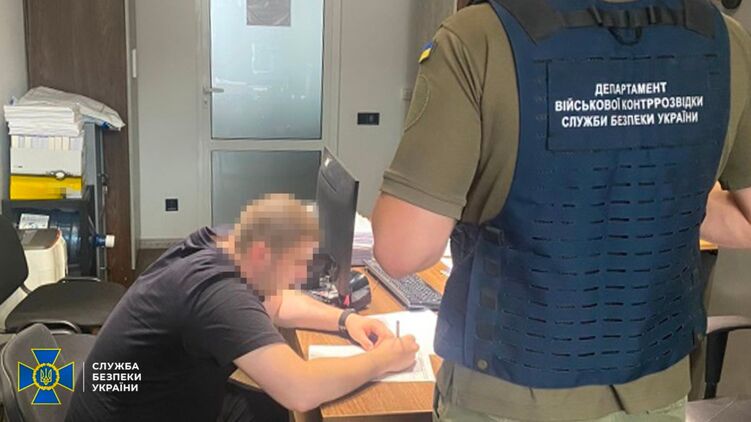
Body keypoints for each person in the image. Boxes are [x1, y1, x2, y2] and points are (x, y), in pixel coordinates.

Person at [371, 0, 751, 420]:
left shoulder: (479, 39)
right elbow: (744, 220)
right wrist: (662, 196)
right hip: (655, 396)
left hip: (505, 396)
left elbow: (403, 250)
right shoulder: (726, 42)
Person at [67, 194, 418, 421]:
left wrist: (346, 320)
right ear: (262, 253)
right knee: (292, 403)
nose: (301, 276)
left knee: (271, 410)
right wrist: (383, 360)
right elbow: (300, 389)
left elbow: (277, 303)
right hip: (127, 415)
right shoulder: (217, 295)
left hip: (150, 400)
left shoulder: (222, 243)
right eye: (297, 264)